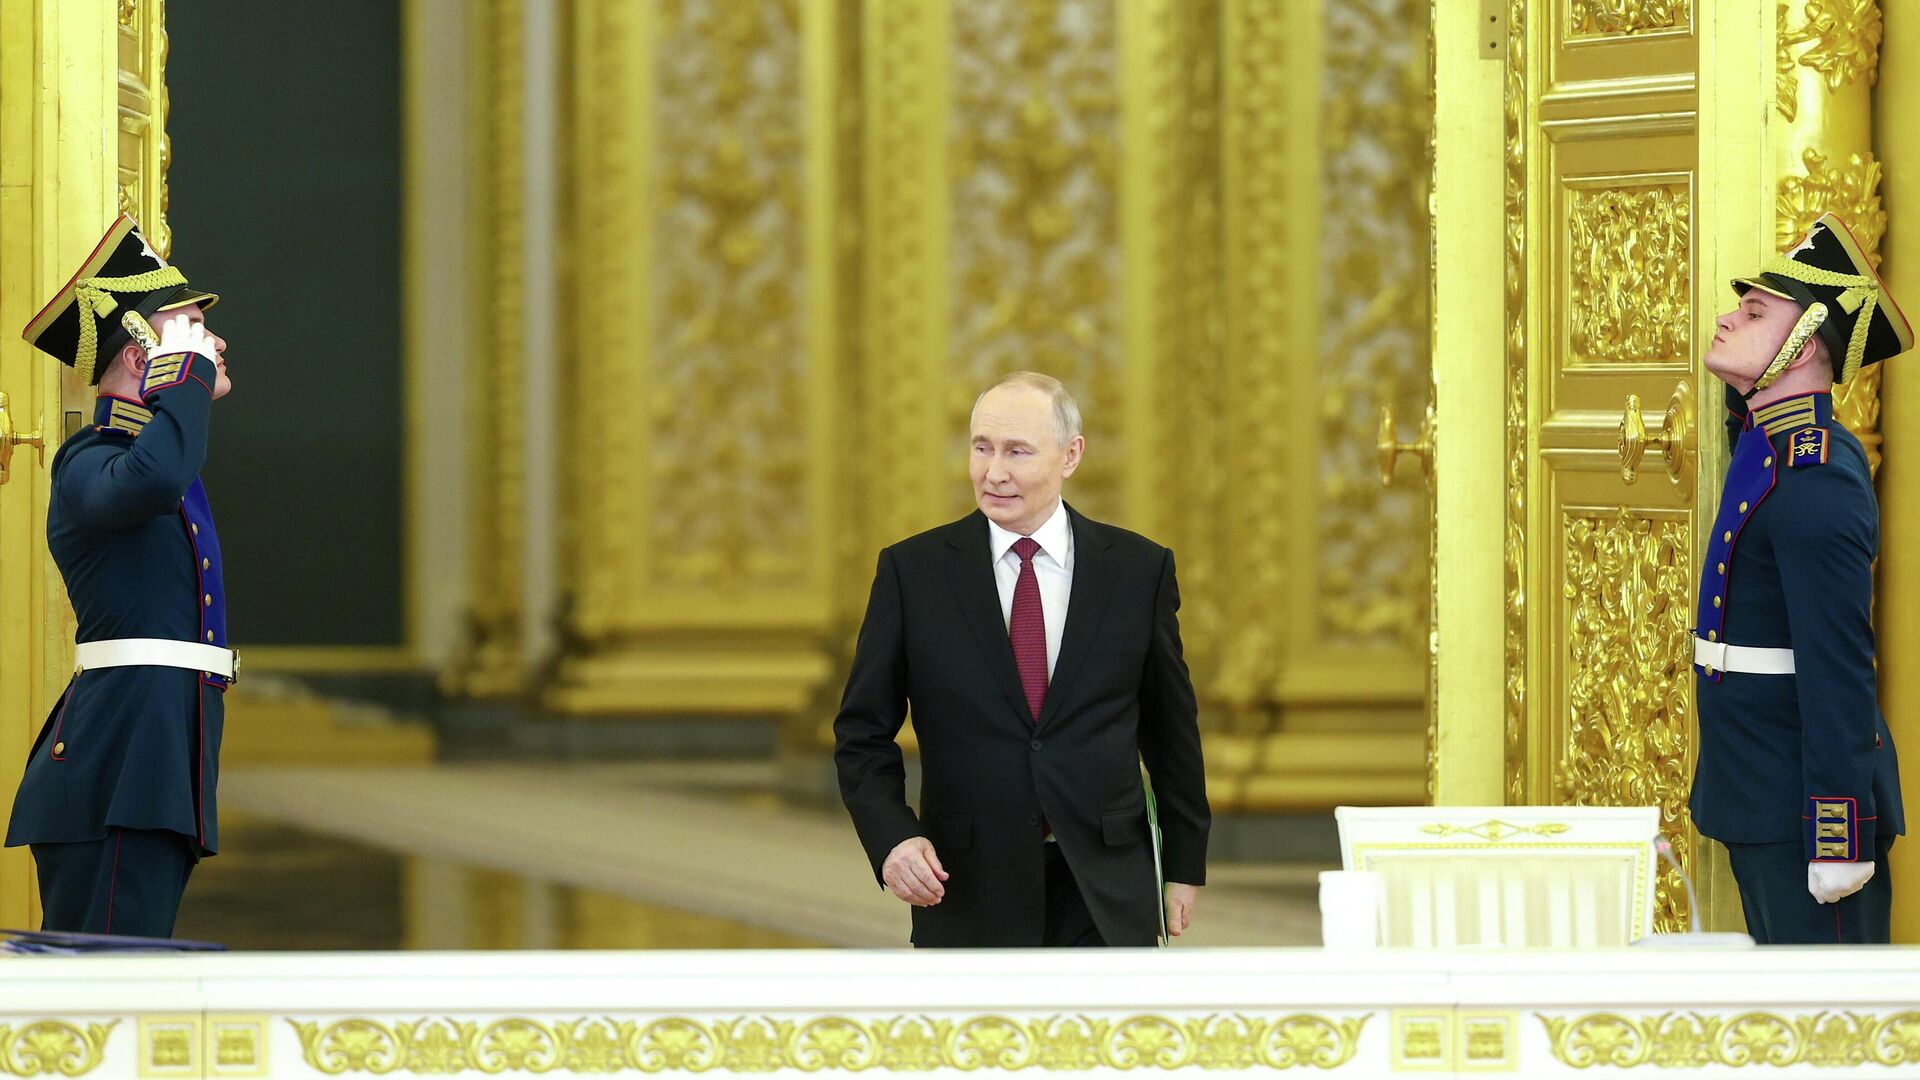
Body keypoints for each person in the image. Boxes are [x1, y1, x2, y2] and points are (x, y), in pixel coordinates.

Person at [833, 371, 1209, 947]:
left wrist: (1183, 864)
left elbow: (1170, 731)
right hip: (968, 884)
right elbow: (862, 733)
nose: (994, 472)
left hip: (1105, 887)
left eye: (1017, 451)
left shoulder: (1138, 571)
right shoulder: (914, 574)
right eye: (982, 448)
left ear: (1070, 455)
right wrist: (893, 838)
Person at [6, 214, 234, 937]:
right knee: (107, 979)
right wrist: (184, 382)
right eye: (193, 330)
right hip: (119, 767)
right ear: (142, 357)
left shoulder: (157, 464)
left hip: (157, 753)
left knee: (132, 976)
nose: (215, 344)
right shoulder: (91, 459)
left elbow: (162, 473)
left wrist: (181, 385)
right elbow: (151, 477)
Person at [1690, 213, 1910, 944]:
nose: (1727, 319)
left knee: (1830, 1010)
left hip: (1801, 803)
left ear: (1804, 343)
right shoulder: (1770, 446)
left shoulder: (1816, 475)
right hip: (1757, 785)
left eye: (1755, 313)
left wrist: (1837, 832)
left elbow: (1837, 664)